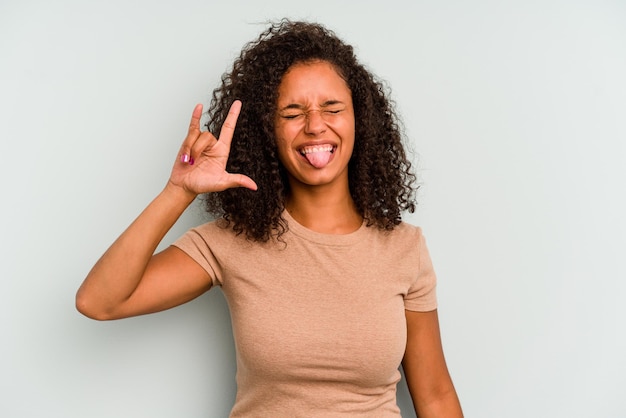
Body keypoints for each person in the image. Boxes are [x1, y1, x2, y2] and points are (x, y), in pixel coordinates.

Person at [76, 19, 463, 417]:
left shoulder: (404, 247)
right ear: (267, 132)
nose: (315, 125)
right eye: (292, 112)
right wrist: (180, 191)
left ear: (360, 120)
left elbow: (435, 395)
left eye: (332, 108)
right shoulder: (230, 241)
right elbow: (100, 301)